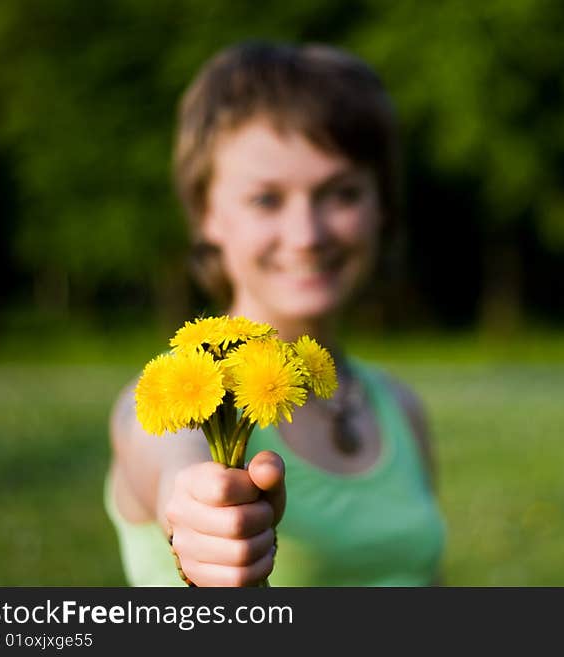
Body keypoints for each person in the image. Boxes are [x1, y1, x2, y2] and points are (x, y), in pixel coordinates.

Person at [105, 41, 446, 586]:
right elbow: (175, 465)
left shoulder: (401, 408)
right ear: (205, 212)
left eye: (342, 194)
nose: (306, 236)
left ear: (382, 205)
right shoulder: (163, 404)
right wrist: (199, 510)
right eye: (267, 199)